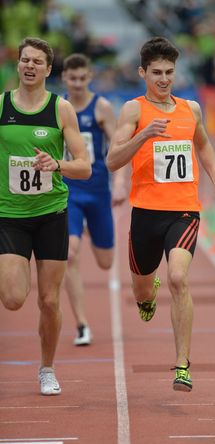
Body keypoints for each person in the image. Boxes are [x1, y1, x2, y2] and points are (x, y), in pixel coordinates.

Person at [107, 36, 215, 392]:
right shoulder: (133, 110)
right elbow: (113, 160)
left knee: (178, 278)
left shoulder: (190, 108)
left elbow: (203, 143)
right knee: (144, 292)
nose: (164, 79)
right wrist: (143, 135)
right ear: (142, 72)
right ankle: (148, 292)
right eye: (157, 72)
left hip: (184, 211)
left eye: (170, 72)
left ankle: (182, 365)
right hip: (146, 212)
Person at [0, 37, 91, 395]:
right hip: (9, 214)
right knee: (13, 299)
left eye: (38, 61)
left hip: (51, 213)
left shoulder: (60, 109)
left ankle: (47, 368)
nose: (30, 66)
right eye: (25, 60)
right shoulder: (2, 105)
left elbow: (84, 167)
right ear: (18, 65)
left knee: (49, 300)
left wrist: (58, 164)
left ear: (49, 70)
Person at [61, 53, 127, 346]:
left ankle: (88, 229)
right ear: (63, 78)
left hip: (98, 190)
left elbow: (118, 146)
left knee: (105, 261)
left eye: (81, 78)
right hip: (67, 192)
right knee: (69, 254)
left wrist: (121, 182)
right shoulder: (58, 108)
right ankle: (82, 324)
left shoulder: (100, 107)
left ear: (90, 78)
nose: (76, 83)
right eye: (71, 78)